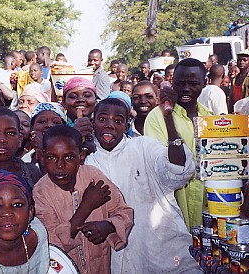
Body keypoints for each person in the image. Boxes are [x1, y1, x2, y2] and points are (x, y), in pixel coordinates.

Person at [86, 96, 201, 273]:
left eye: (118, 121)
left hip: (165, 255)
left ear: (126, 126)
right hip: (117, 262)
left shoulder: (144, 147)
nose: (109, 125)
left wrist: (169, 120)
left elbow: (178, 170)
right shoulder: (88, 163)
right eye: (102, 119)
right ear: (92, 122)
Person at [33, 125, 133, 274]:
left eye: (69, 157)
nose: (60, 165)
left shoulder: (93, 177)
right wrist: (86, 207)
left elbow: (124, 213)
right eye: (51, 157)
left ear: (81, 156)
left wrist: (108, 226)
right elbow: (53, 244)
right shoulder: (41, 192)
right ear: (41, 156)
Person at [144, 58, 212, 228]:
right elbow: (162, 168)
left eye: (193, 83)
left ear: (204, 83)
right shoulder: (157, 117)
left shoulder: (210, 119)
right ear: (172, 83)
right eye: (180, 83)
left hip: (207, 211)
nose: (186, 89)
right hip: (171, 215)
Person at [21, 102, 67, 168]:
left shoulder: (70, 155)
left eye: (56, 122)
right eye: (42, 122)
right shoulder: (26, 158)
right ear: (32, 128)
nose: (49, 125)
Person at [61, 77, 97, 154]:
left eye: (87, 95)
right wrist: (73, 135)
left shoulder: (102, 126)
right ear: (64, 102)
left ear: (96, 101)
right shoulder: (57, 127)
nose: (80, 99)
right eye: (73, 96)